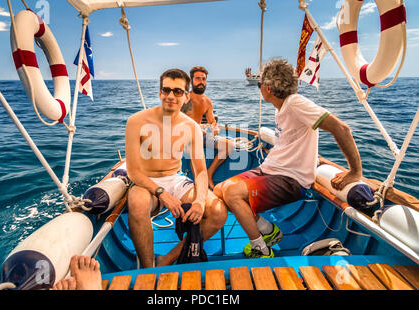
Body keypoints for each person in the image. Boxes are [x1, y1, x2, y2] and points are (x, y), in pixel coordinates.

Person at [214, 58, 362, 258]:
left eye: (259, 84)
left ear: (267, 88)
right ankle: (267, 230)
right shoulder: (282, 107)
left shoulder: (295, 103)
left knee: (232, 193)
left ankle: (260, 248)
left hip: (291, 179)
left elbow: (341, 128)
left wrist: (355, 172)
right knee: (219, 189)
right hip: (271, 169)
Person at [125, 68, 228, 268]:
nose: (171, 96)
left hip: (175, 178)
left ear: (186, 96)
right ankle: (148, 270)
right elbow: (133, 172)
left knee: (218, 211)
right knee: (137, 204)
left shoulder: (191, 127)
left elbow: (199, 171)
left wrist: (199, 201)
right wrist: (162, 194)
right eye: (166, 90)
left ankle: (167, 259)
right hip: (146, 181)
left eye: (178, 92)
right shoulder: (136, 121)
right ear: (159, 93)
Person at [181, 66, 235, 189]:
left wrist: (215, 128)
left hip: (202, 135)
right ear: (191, 80)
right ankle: (197, 184)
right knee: (195, 146)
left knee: (229, 146)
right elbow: (175, 120)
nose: (201, 82)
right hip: (185, 137)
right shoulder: (184, 99)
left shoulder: (207, 102)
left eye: (203, 79)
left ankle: (209, 174)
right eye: (198, 78)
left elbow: (212, 122)